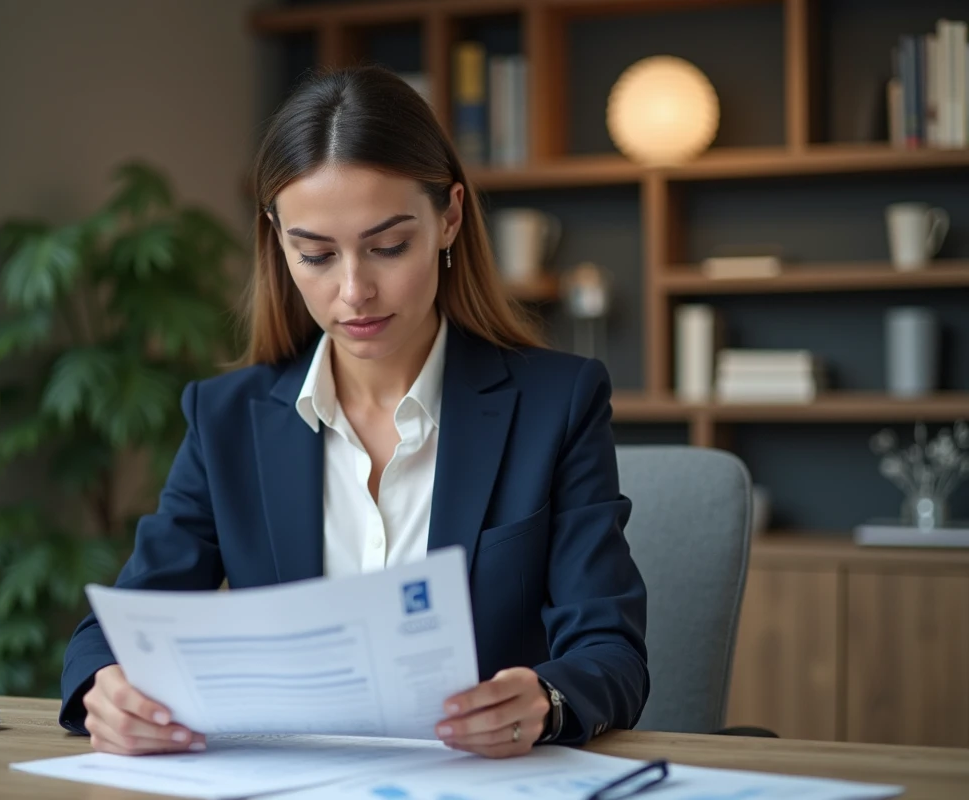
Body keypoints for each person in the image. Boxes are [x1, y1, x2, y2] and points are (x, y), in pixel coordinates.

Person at [59, 64, 649, 760]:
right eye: (315, 255)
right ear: (278, 239)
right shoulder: (227, 420)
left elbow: (611, 651)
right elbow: (117, 630)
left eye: (388, 247)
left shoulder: (558, 404)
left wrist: (546, 701)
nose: (354, 291)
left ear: (450, 217)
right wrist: (106, 689)